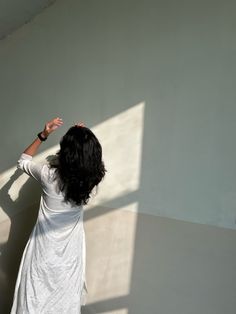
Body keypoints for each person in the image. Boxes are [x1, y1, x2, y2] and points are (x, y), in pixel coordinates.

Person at [10, 117, 106, 314]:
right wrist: (82, 138)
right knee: (64, 300)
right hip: (71, 254)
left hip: (43, 251)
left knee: (35, 298)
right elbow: (87, 159)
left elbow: (23, 161)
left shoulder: (47, 174)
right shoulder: (91, 178)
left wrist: (44, 134)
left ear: (66, 152)